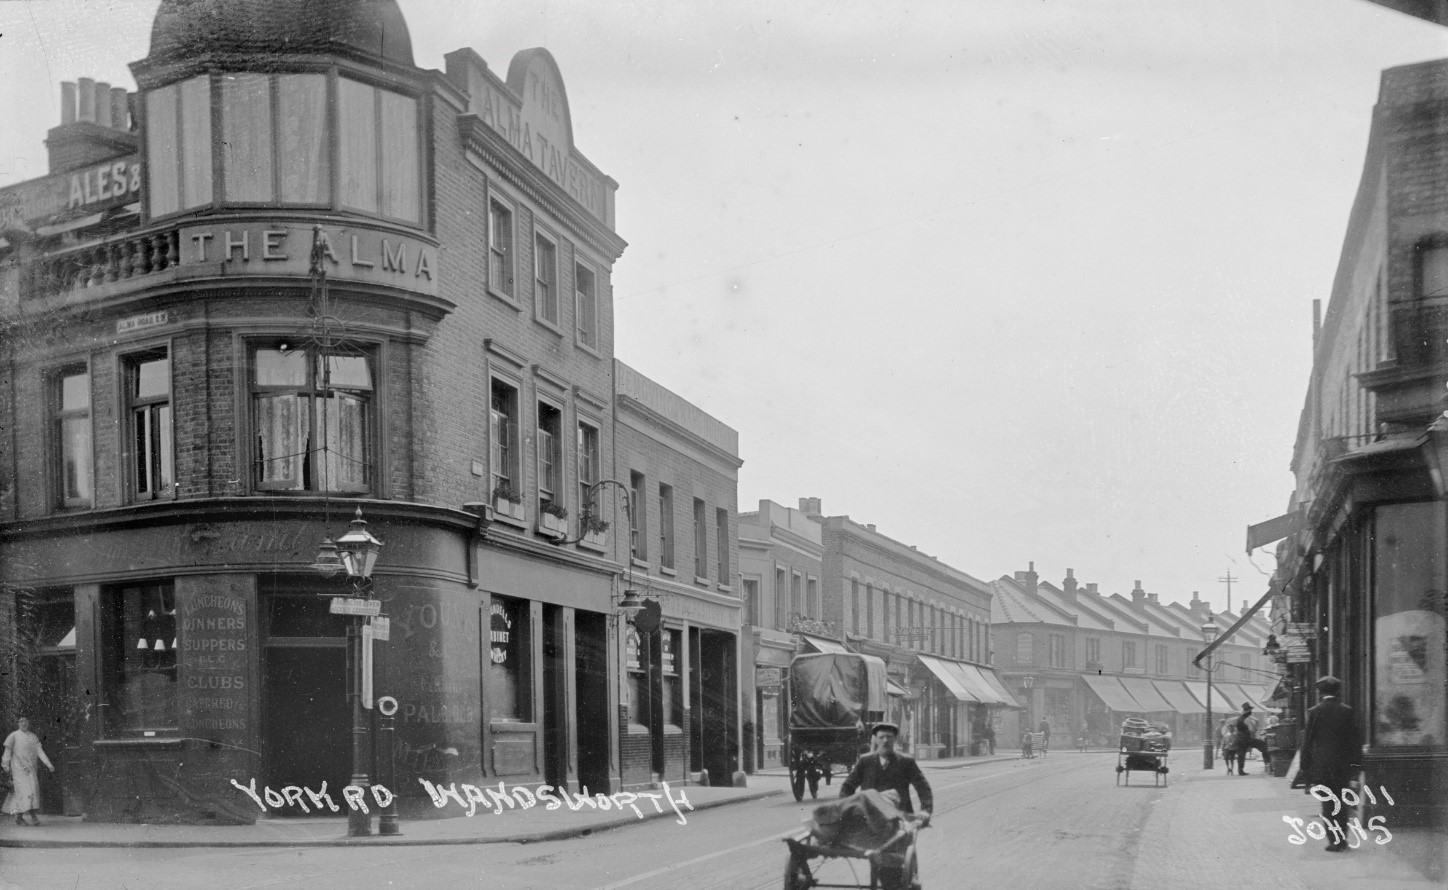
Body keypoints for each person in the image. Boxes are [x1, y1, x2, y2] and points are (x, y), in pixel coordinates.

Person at [1298, 676, 1365, 853]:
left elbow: (1307, 743)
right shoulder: (1347, 711)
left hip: (1321, 767)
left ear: (1320, 692)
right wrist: (1357, 766)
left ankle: (1333, 841)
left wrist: (1305, 768)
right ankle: (1342, 839)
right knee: (1342, 804)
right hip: (1343, 766)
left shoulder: (1313, 712)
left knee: (1328, 805)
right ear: (1337, 691)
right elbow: (1355, 741)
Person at [840, 722, 933, 822]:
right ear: (875, 739)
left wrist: (925, 811)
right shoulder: (865, 761)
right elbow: (847, 787)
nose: (885, 740)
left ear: (895, 739)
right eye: (881, 737)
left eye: (889, 737)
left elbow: (923, 788)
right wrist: (848, 809)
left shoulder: (906, 761)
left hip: (900, 819)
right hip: (870, 819)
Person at [2, 717, 54, 827]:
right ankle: (33, 817)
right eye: (21, 721)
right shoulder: (13, 736)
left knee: (32, 790)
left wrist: (48, 764)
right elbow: (7, 753)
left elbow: (40, 752)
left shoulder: (33, 737)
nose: (23, 723)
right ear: (17, 723)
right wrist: (5, 766)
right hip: (18, 769)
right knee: (26, 791)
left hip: (31, 769)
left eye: (25, 721)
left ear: (29, 723)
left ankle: (19, 818)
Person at [1232, 704, 1269, 775]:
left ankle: (1240, 770)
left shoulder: (1241, 718)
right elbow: (1251, 730)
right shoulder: (1246, 719)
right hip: (1245, 738)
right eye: (1250, 711)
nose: (1251, 712)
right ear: (1247, 711)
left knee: (1241, 754)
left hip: (1241, 738)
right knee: (1263, 746)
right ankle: (1267, 765)